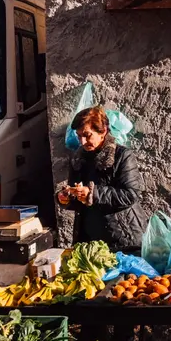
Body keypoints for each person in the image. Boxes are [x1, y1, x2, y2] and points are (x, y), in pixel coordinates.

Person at [56, 106, 147, 251]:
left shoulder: (122, 156)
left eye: (87, 135)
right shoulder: (78, 158)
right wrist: (66, 197)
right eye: (79, 136)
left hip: (123, 238)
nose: (83, 141)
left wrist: (93, 193)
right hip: (90, 240)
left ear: (103, 132)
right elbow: (75, 192)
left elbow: (130, 194)